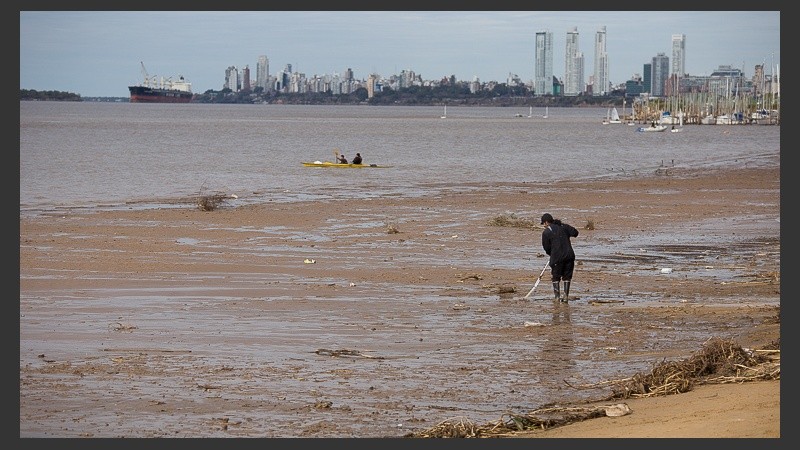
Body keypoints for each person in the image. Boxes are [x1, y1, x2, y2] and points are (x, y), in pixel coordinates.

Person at [540, 213, 579, 303]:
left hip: (557, 258)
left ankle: (557, 298)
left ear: (546, 222)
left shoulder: (546, 232)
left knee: (556, 277)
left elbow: (546, 248)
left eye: (543, 224)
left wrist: (552, 254)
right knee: (567, 277)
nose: (544, 226)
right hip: (569, 255)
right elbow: (575, 233)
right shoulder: (564, 227)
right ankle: (565, 297)